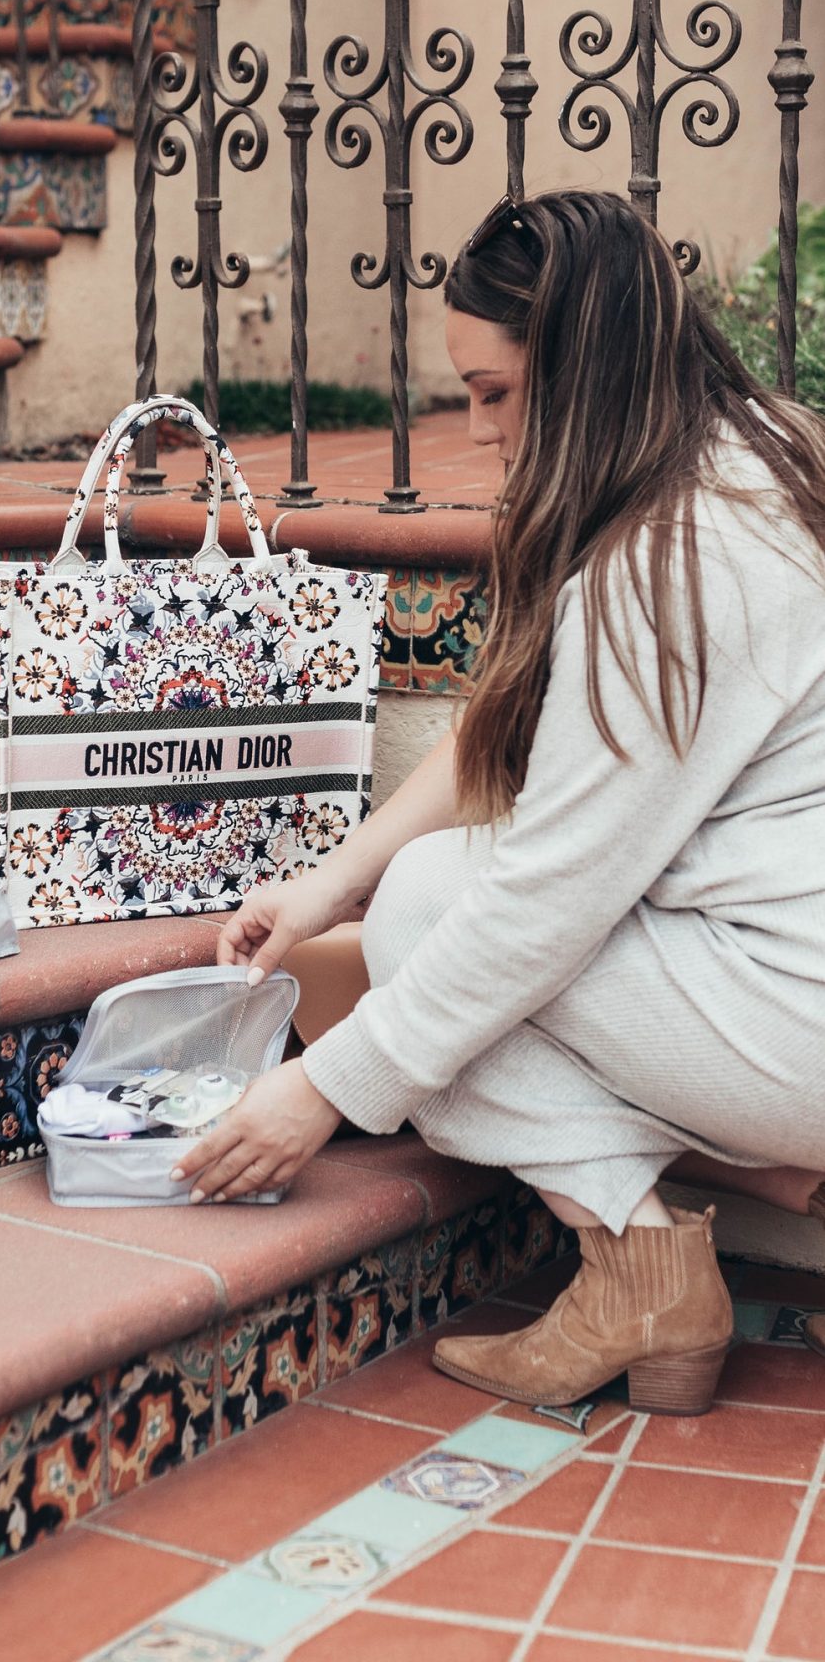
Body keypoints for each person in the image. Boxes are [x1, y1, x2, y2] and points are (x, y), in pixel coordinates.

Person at [172, 187, 825, 1412]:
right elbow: (519, 726)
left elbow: (543, 902)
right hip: (785, 985)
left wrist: (323, 1089)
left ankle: (636, 1258)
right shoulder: (755, 457)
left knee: (441, 918)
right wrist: (330, 881)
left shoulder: (672, 570)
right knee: (420, 897)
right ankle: (680, 1241)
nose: (473, 431)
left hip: (796, 1016)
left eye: (491, 391)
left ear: (579, 370)